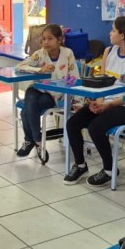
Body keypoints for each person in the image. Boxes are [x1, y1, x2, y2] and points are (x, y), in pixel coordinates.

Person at [63, 16, 125, 186]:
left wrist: (109, 104)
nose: (110, 34)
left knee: (96, 128)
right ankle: (80, 165)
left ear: (123, 35)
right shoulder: (108, 52)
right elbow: (102, 83)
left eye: (113, 30)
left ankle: (110, 170)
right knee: (73, 123)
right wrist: (98, 102)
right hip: (105, 101)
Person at [15, 24, 79, 160]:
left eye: (50, 39)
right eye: (43, 39)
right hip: (37, 89)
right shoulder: (40, 54)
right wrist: (39, 70)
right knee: (30, 96)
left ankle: (30, 140)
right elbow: (19, 66)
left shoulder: (68, 54)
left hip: (54, 95)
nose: (45, 42)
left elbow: (75, 78)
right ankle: (38, 141)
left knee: (25, 110)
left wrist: (78, 100)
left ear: (59, 40)